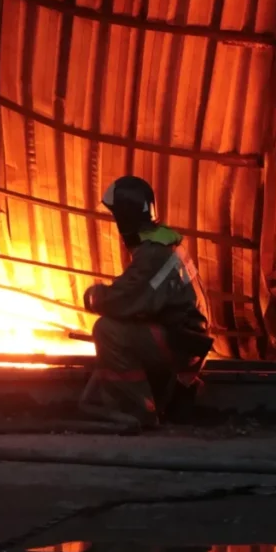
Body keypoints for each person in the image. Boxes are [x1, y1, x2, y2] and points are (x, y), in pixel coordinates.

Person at [80, 175, 212, 430]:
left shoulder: (154, 253)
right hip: (187, 339)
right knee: (127, 328)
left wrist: (94, 296)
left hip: (180, 344)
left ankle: (137, 411)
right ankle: (164, 399)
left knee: (107, 331)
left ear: (124, 219)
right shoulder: (165, 243)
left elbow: (125, 298)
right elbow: (143, 292)